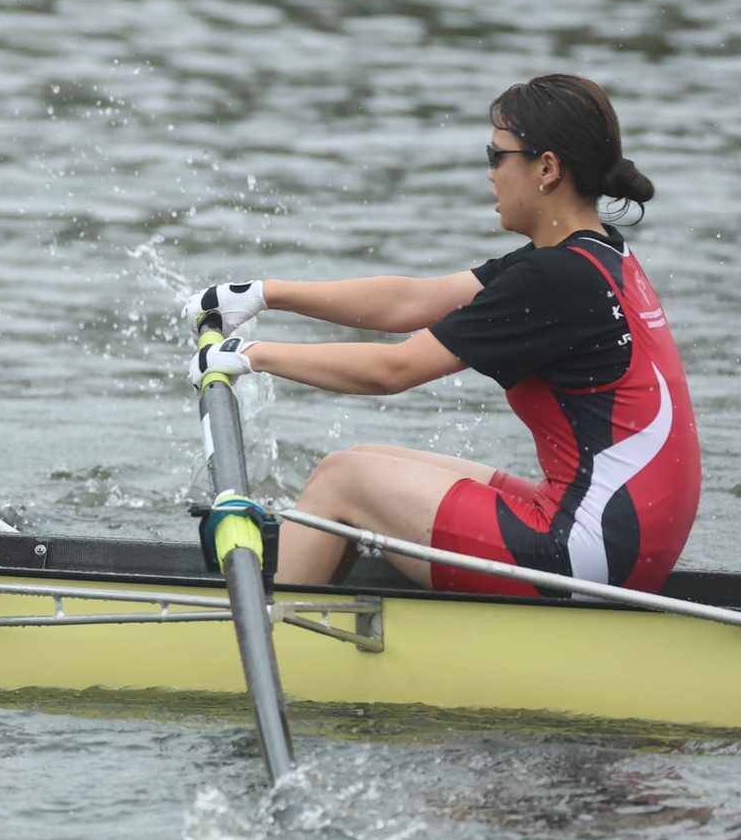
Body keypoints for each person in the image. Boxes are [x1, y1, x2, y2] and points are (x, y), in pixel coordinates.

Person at [190, 74, 697, 594]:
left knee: (342, 479)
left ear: (547, 168)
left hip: (588, 556)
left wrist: (250, 356)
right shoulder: (594, 252)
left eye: (497, 155)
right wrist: (264, 294)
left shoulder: (556, 278)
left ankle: (271, 626)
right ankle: (306, 585)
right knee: (365, 460)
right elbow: (409, 302)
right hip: (620, 544)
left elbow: (392, 371)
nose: (490, 174)